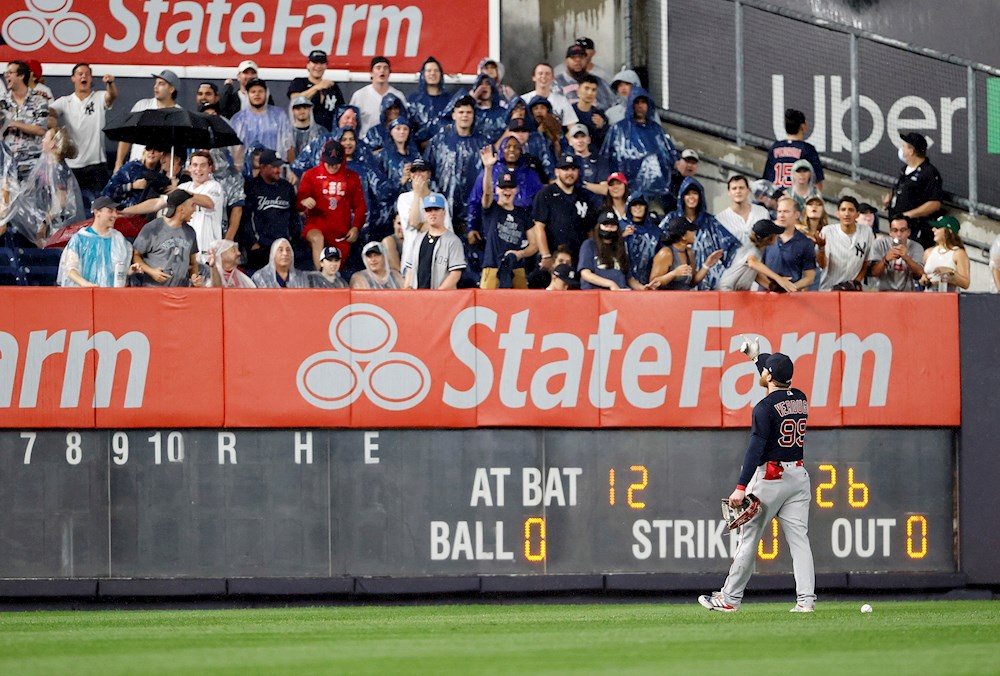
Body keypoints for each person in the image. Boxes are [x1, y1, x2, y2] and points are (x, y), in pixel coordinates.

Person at [699, 340, 816, 613]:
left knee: (748, 539)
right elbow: (771, 375)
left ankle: (729, 598)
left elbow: (755, 449)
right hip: (798, 475)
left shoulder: (763, 408)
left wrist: (741, 487)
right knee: (800, 541)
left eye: (765, 370)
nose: (761, 372)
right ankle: (806, 601)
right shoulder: (800, 398)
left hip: (770, 478)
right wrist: (756, 359)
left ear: (770, 376)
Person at [47, 63, 118, 207]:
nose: (83, 76)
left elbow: (111, 96)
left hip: (95, 163)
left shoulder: (98, 97)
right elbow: (51, 113)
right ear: (73, 78)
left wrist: (110, 84)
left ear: (91, 78)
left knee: (100, 206)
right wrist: (50, 118)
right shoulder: (65, 101)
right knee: (69, 206)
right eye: (80, 74)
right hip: (72, 164)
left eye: (87, 74)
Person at [601, 86, 678, 210]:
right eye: (636, 102)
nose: (640, 106)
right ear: (631, 104)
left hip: (656, 194)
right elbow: (606, 158)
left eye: (643, 102)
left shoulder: (657, 130)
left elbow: (670, 156)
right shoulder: (618, 129)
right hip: (626, 194)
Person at [7, 126, 84, 247]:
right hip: (42, 216)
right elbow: (29, 190)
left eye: (45, 138)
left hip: (57, 224)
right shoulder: (43, 163)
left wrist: (44, 223)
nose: (42, 140)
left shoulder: (59, 169)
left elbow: (61, 203)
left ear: (53, 143)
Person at [422, 96, 488, 233]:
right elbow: (426, 171)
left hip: (473, 212)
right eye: (461, 112)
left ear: (474, 115)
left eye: (468, 112)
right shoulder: (439, 142)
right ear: (454, 114)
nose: (465, 116)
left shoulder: (483, 143)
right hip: (443, 208)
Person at [297, 139, 366, 269]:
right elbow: (298, 203)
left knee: (335, 269)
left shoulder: (352, 177)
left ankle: (329, 282)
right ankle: (321, 278)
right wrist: (304, 201)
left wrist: (356, 227)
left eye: (336, 163)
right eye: (329, 163)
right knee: (317, 238)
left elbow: (360, 206)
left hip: (340, 235)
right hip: (315, 227)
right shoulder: (311, 175)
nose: (332, 167)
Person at [665, 177, 740, 290]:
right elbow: (660, 245)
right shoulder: (671, 219)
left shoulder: (711, 223)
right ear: (682, 197)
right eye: (687, 194)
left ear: (700, 197)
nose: (691, 197)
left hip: (708, 285)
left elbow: (731, 248)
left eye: (695, 193)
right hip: (678, 286)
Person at [476, 155, 537, 289]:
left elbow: (534, 245)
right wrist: (488, 168)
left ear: (516, 189)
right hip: (492, 266)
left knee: (521, 306)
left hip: (517, 268)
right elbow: (486, 194)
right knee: (487, 306)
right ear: (497, 190)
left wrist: (520, 254)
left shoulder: (523, 214)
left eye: (510, 187)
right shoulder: (491, 209)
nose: (507, 190)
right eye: (503, 187)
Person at [531, 153, 598, 268]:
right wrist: (546, 255)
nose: (569, 173)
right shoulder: (546, 194)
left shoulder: (583, 195)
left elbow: (590, 230)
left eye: (573, 169)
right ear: (557, 172)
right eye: (565, 169)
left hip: (579, 258)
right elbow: (538, 227)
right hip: (554, 257)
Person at [884, 132, 944, 250]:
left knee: (913, 260)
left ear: (911, 151)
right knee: (897, 258)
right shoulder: (905, 169)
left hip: (916, 230)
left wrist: (908, 215)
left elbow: (934, 203)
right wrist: (891, 198)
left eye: (904, 147)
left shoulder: (929, 173)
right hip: (898, 229)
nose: (901, 150)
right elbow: (901, 187)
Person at [242, 148, 299, 271]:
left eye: (279, 166)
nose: (278, 170)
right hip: (262, 248)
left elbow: (294, 216)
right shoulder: (252, 187)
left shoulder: (287, 187)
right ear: (262, 167)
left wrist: (293, 239)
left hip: (283, 247)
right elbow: (246, 218)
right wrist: (253, 243)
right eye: (274, 167)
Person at [131, 189, 202, 287]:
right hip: (153, 291)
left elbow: (193, 263)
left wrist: (194, 277)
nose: (194, 209)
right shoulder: (153, 228)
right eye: (192, 206)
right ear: (181, 209)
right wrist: (151, 272)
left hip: (180, 293)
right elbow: (135, 256)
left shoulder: (190, 232)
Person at [56, 196, 132, 287]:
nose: (115, 215)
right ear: (97, 212)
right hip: (85, 296)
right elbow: (70, 269)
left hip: (110, 296)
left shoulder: (118, 239)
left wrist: (129, 270)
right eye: (110, 211)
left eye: (115, 211)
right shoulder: (79, 239)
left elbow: (119, 270)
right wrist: (86, 284)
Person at [114, 70, 181, 171]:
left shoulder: (179, 114)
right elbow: (126, 136)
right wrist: (118, 162)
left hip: (161, 171)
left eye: (161, 84)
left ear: (171, 89)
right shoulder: (142, 105)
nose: (156, 87)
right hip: (136, 166)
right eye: (155, 83)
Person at [403, 193, 466, 289]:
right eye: (429, 210)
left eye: (436, 209)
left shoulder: (453, 241)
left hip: (442, 299)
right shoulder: (418, 239)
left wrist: (437, 295)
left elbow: (455, 274)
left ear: (444, 212)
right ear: (425, 213)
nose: (432, 213)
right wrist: (407, 289)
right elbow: (410, 268)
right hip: (417, 296)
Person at [231, 79, 295, 168]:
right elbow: (235, 149)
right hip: (248, 172)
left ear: (266, 93)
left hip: (274, 169)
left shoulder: (279, 115)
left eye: (260, 91)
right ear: (247, 94)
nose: (257, 94)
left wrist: (291, 168)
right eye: (253, 92)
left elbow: (288, 145)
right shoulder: (238, 119)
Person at [719, 219, 797, 292]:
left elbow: (755, 273)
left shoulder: (756, 250)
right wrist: (778, 278)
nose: (777, 237)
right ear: (769, 238)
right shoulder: (752, 249)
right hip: (727, 290)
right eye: (775, 235)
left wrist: (771, 286)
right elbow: (752, 263)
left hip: (735, 291)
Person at [1, 60, 48, 182]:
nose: (6, 75)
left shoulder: (39, 100)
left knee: (33, 200)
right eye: (6, 73)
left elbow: (40, 129)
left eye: (10, 72)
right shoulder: (2, 102)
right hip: (7, 165)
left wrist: (11, 123)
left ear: (21, 76)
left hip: (32, 165)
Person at [647, 217, 722, 290]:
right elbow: (653, 283)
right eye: (691, 231)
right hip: (667, 299)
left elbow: (693, 282)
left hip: (685, 298)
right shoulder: (666, 253)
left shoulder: (688, 252)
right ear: (683, 236)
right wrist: (673, 274)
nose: (694, 234)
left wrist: (707, 265)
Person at [816, 196, 873, 291]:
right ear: (837, 213)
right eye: (843, 210)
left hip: (854, 291)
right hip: (829, 289)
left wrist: (856, 282)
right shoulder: (827, 231)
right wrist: (821, 247)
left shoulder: (867, 231)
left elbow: (867, 262)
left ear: (857, 214)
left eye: (851, 210)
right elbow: (822, 265)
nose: (847, 214)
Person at [761, 197, 817, 291]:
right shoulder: (766, 238)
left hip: (791, 298)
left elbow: (809, 278)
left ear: (797, 214)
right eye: (779, 211)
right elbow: (756, 267)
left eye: (786, 211)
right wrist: (770, 287)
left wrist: (789, 288)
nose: (782, 215)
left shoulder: (805, 243)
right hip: (764, 295)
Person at [577, 211, 643, 290]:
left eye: (612, 226)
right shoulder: (589, 244)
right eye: (606, 225)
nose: (609, 229)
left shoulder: (620, 246)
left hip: (620, 294)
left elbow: (629, 278)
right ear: (599, 226)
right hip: (596, 295)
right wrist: (610, 284)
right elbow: (585, 273)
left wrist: (643, 288)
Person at [763, 108, 824, 191]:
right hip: (797, 198)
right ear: (803, 126)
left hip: (776, 198)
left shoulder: (775, 147)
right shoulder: (808, 149)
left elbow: (766, 180)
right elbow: (817, 182)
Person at [286, 50, 346, 132]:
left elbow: (341, 110)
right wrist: (317, 87)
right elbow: (295, 100)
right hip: (304, 133)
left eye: (321, 63)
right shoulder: (299, 82)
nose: (318, 66)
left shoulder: (332, 86)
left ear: (326, 66)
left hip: (329, 133)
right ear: (308, 65)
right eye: (315, 62)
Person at [350, 56, 406, 136]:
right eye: (378, 68)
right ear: (371, 72)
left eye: (385, 68)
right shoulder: (359, 95)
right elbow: (351, 122)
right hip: (366, 143)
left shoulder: (398, 96)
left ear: (389, 73)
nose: (382, 71)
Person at [868, 215, 924, 291]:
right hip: (882, 293)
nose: (899, 234)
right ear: (890, 232)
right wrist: (886, 259)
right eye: (895, 230)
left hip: (906, 294)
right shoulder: (879, 244)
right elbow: (873, 273)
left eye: (902, 230)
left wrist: (906, 258)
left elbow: (919, 274)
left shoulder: (916, 247)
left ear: (908, 232)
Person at [101, 144, 168, 208]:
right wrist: (132, 186)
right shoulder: (131, 168)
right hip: (122, 210)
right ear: (144, 151)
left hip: (147, 213)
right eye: (149, 148)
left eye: (157, 150)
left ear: (162, 154)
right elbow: (108, 191)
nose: (152, 152)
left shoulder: (163, 173)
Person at [554, 43, 615, 110]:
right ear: (566, 61)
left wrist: (602, 117)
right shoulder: (556, 82)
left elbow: (612, 105)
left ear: (586, 60)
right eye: (573, 58)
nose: (578, 61)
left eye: (581, 57)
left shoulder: (599, 82)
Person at [919, 215, 970, 292]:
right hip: (928, 296)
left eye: (938, 227)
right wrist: (924, 279)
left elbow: (965, 283)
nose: (933, 229)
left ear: (949, 231)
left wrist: (950, 272)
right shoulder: (928, 252)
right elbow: (922, 276)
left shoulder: (958, 253)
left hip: (949, 298)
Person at [410, 57, 453, 146]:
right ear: (423, 74)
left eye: (436, 71)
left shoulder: (451, 100)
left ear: (441, 74)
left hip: (446, 148)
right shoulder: (413, 101)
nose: (432, 73)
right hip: (419, 151)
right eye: (429, 71)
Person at [717, 174, 771, 244]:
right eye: (734, 188)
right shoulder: (721, 219)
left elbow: (769, 240)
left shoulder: (762, 212)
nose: (738, 191)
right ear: (729, 193)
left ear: (748, 190)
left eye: (741, 188)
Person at [622, 194, 661, 286]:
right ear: (629, 207)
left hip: (649, 282)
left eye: (641, 205)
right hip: (624, 282)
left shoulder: (656, 231)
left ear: (646, 207)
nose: (638, 208)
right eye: (634, 205)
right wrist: (622, 235)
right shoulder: (620, 226)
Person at [566, 123, 609, 198]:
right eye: (576, 137)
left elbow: (605, 189)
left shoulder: (600, 160)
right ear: (570, 142)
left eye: (583, 136)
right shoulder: (566, 162)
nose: (580, 141)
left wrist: (582, 184)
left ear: (589, 139)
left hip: (596, 205)